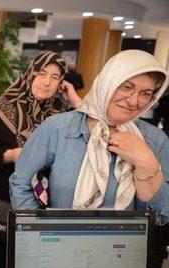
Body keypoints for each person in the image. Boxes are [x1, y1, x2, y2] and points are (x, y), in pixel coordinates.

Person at [0, 51, 81, 268]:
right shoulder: (1, 110)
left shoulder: (64, 117)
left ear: (61, 83)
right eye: (42, 74)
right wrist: (11, 155)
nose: (47, 82)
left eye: (55, 77)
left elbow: (92, 141)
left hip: (43, 212)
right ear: (30, 74)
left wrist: (76, 101)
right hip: (0, 208)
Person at [11, 50, 169, 225]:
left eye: (145, 93)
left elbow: (159, 217)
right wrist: (41, 232)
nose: (133, 101)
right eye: (127, 87)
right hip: (58, 244)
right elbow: (22, 184)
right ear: (107, 83)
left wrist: (146, 162)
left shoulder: (155, 141)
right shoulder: (57, 129)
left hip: (123, 249)